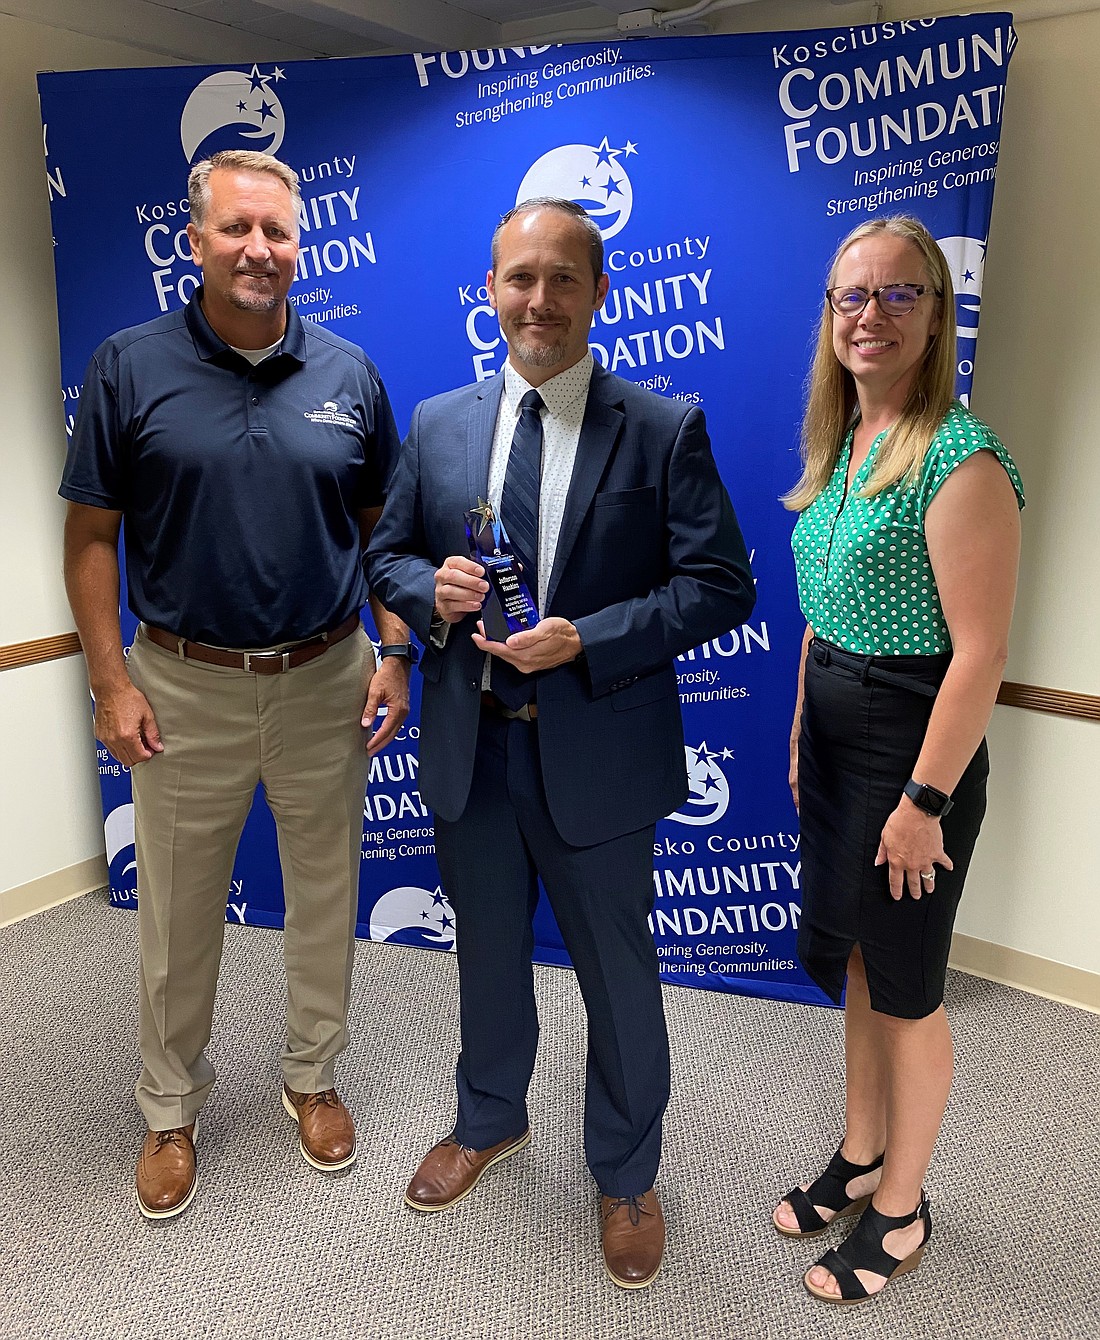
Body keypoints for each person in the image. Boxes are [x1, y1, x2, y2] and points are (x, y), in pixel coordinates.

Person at [367, 197, 755, 1288]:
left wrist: (589, 635)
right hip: (471, 748)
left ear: (596, 293)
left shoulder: (660, 423)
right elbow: (385, 557)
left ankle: (626, 1171)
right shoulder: (440, 422)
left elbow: (721, 584)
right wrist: (426, 593)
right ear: (489, 289)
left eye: (561, 280)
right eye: (517, 278)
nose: (537, 300)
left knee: (617, 976)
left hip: (597, 756)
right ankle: (488, 1116)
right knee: (486, 951)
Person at [61, 149, 412, 1220]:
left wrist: (394, 648)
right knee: (176, 916)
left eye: (278, 231)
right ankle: (169, 1105)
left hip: (325, 679)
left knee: (324, 897)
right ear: (195, 238)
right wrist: (110, 683)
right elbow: (88, 536)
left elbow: (381, 533)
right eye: (237, 229)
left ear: (300, 245)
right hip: (182, 686)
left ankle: (312, 1077)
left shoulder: (349, 374)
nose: (259, 249)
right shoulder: (129, 364)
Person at [774, 215, 1024, 1303]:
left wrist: (923, 797)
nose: (867, 315)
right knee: (862, 965)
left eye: (894, 295)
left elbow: (979, 653)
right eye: (848, 296)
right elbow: (818, 617)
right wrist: (795, 729)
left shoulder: (960, 459)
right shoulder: (841, 439)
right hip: (831, 733)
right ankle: (859, 1150)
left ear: (935, 313)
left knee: (911, 986)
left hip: (911, 746)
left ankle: (901, 1206)